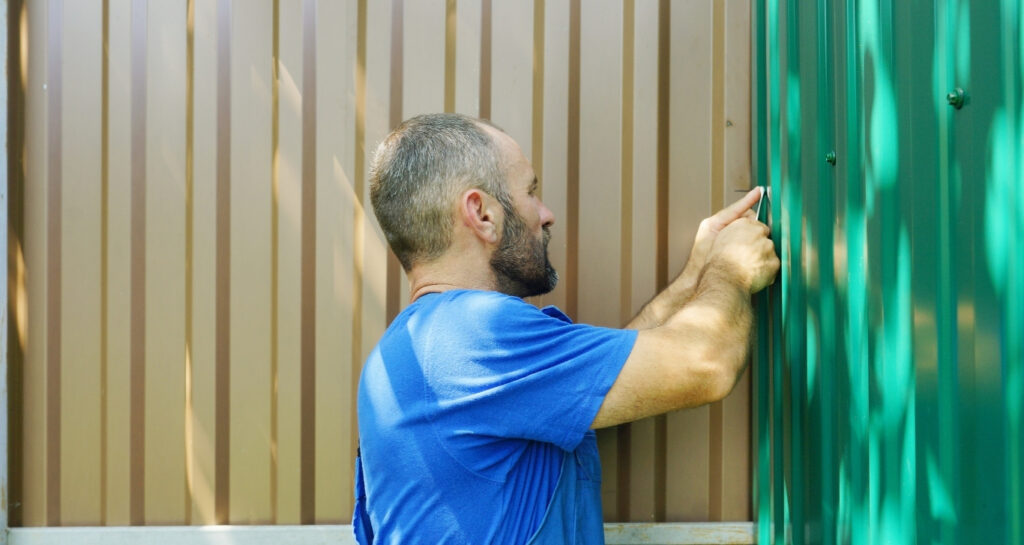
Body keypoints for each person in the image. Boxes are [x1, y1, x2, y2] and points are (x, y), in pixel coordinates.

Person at [352, 113, 779, 545]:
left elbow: (601, 377)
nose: (546, 214)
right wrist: (730, 269)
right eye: (530, 192)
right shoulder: (473, 336)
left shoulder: (418, 350)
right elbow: (706, 364)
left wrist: (697, 275)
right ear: (481, 213)